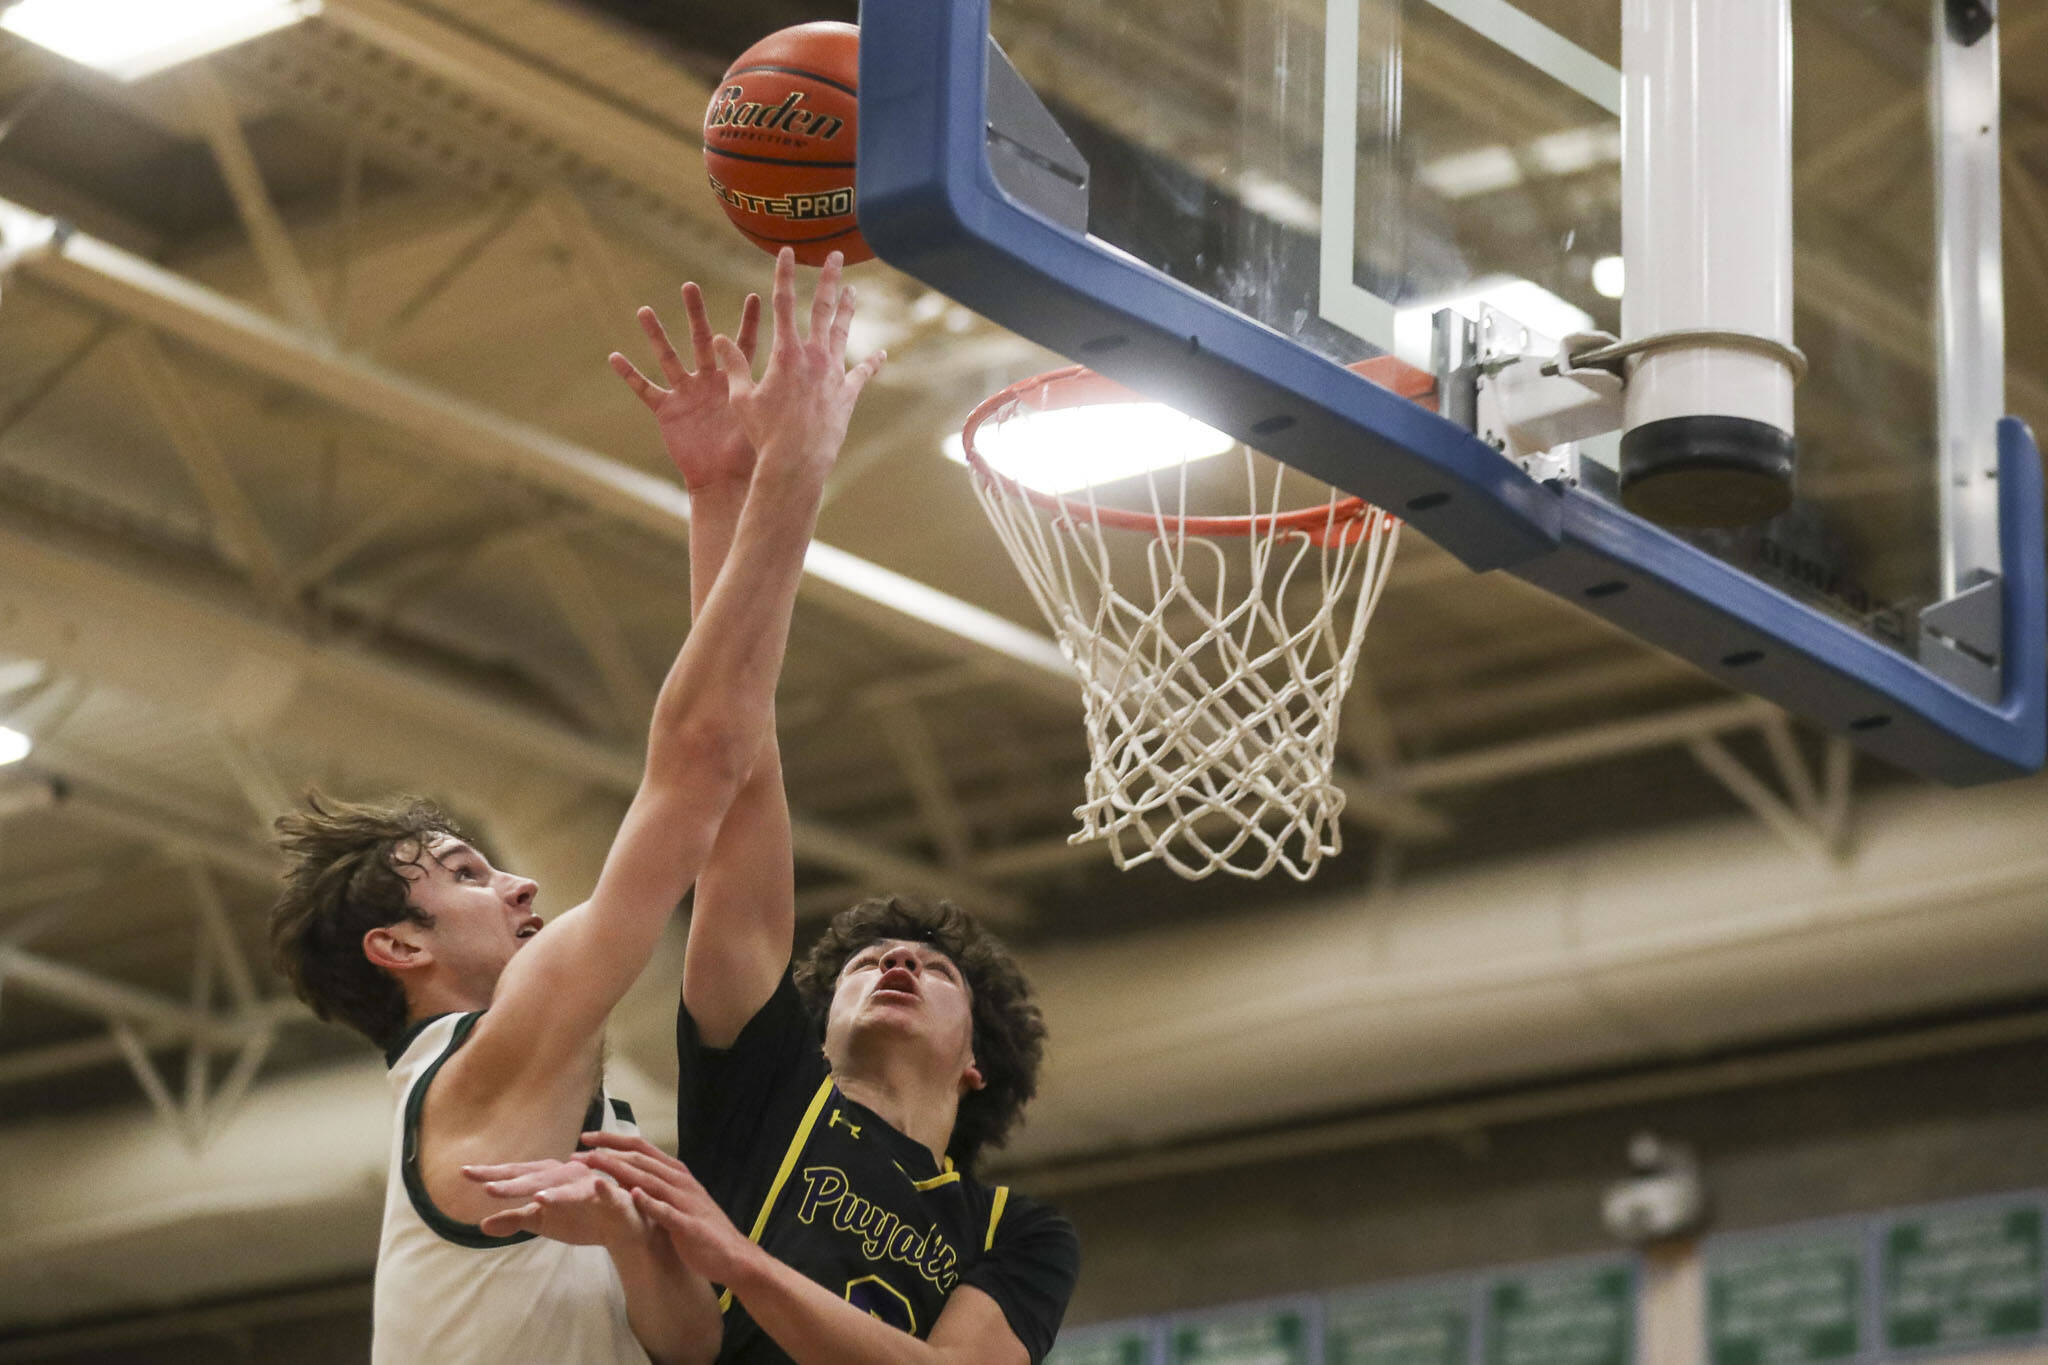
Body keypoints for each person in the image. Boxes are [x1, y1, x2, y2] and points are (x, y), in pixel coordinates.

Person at [267, 248, 882, 1365]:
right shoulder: (479, 1068)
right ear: (397, 945)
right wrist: (796, 467)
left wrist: (721, 496)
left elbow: (689, 1346)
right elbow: (696, 764)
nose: (518, 883)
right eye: (464, 873)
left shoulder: (574, 1110)